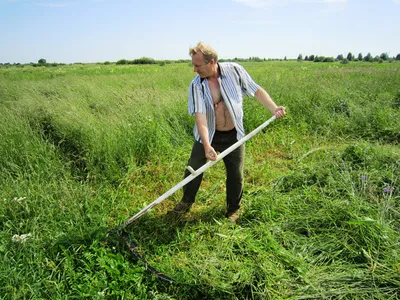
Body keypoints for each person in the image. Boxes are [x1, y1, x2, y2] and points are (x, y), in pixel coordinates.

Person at [173, 42, 286, 223]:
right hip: (208, 136)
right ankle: (186, 201)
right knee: (194, 169)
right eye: (193, 65)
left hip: (234, 135)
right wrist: (207, 144)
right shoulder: (196, 86)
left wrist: (273, 108)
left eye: (198, 65)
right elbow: (200, 118)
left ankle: (233, 209)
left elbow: (255, 90)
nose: (194, 70)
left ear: (212, 62)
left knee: (235, 174)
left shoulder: (234, 71)